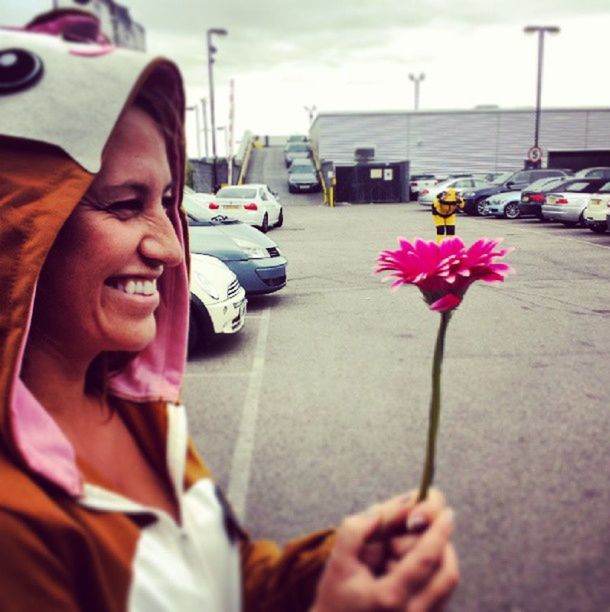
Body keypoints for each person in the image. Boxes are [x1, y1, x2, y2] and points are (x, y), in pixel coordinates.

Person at [0, 10, 458, 611]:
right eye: (122, 203)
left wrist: (321, 571)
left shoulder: (142, 408)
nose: (169, 246)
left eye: (167, 200)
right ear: (17, 231)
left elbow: (224, 578)